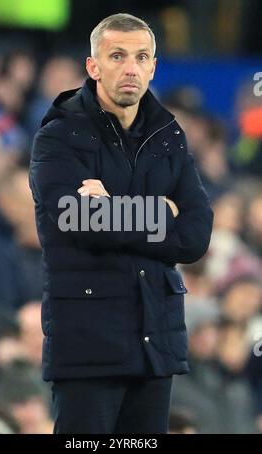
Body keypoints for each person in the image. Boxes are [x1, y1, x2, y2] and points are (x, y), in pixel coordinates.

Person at [29, 13, 214, 434]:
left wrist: (114, 207)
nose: (130, 67)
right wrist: (159, 212)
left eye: (141, 56)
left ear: (152, 67)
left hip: (156, 344)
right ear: (93, 66)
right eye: (117, 55)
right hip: (88, 345)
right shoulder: (59, 135)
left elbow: (196, 234)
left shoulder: (169, 135)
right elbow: (75, 218)